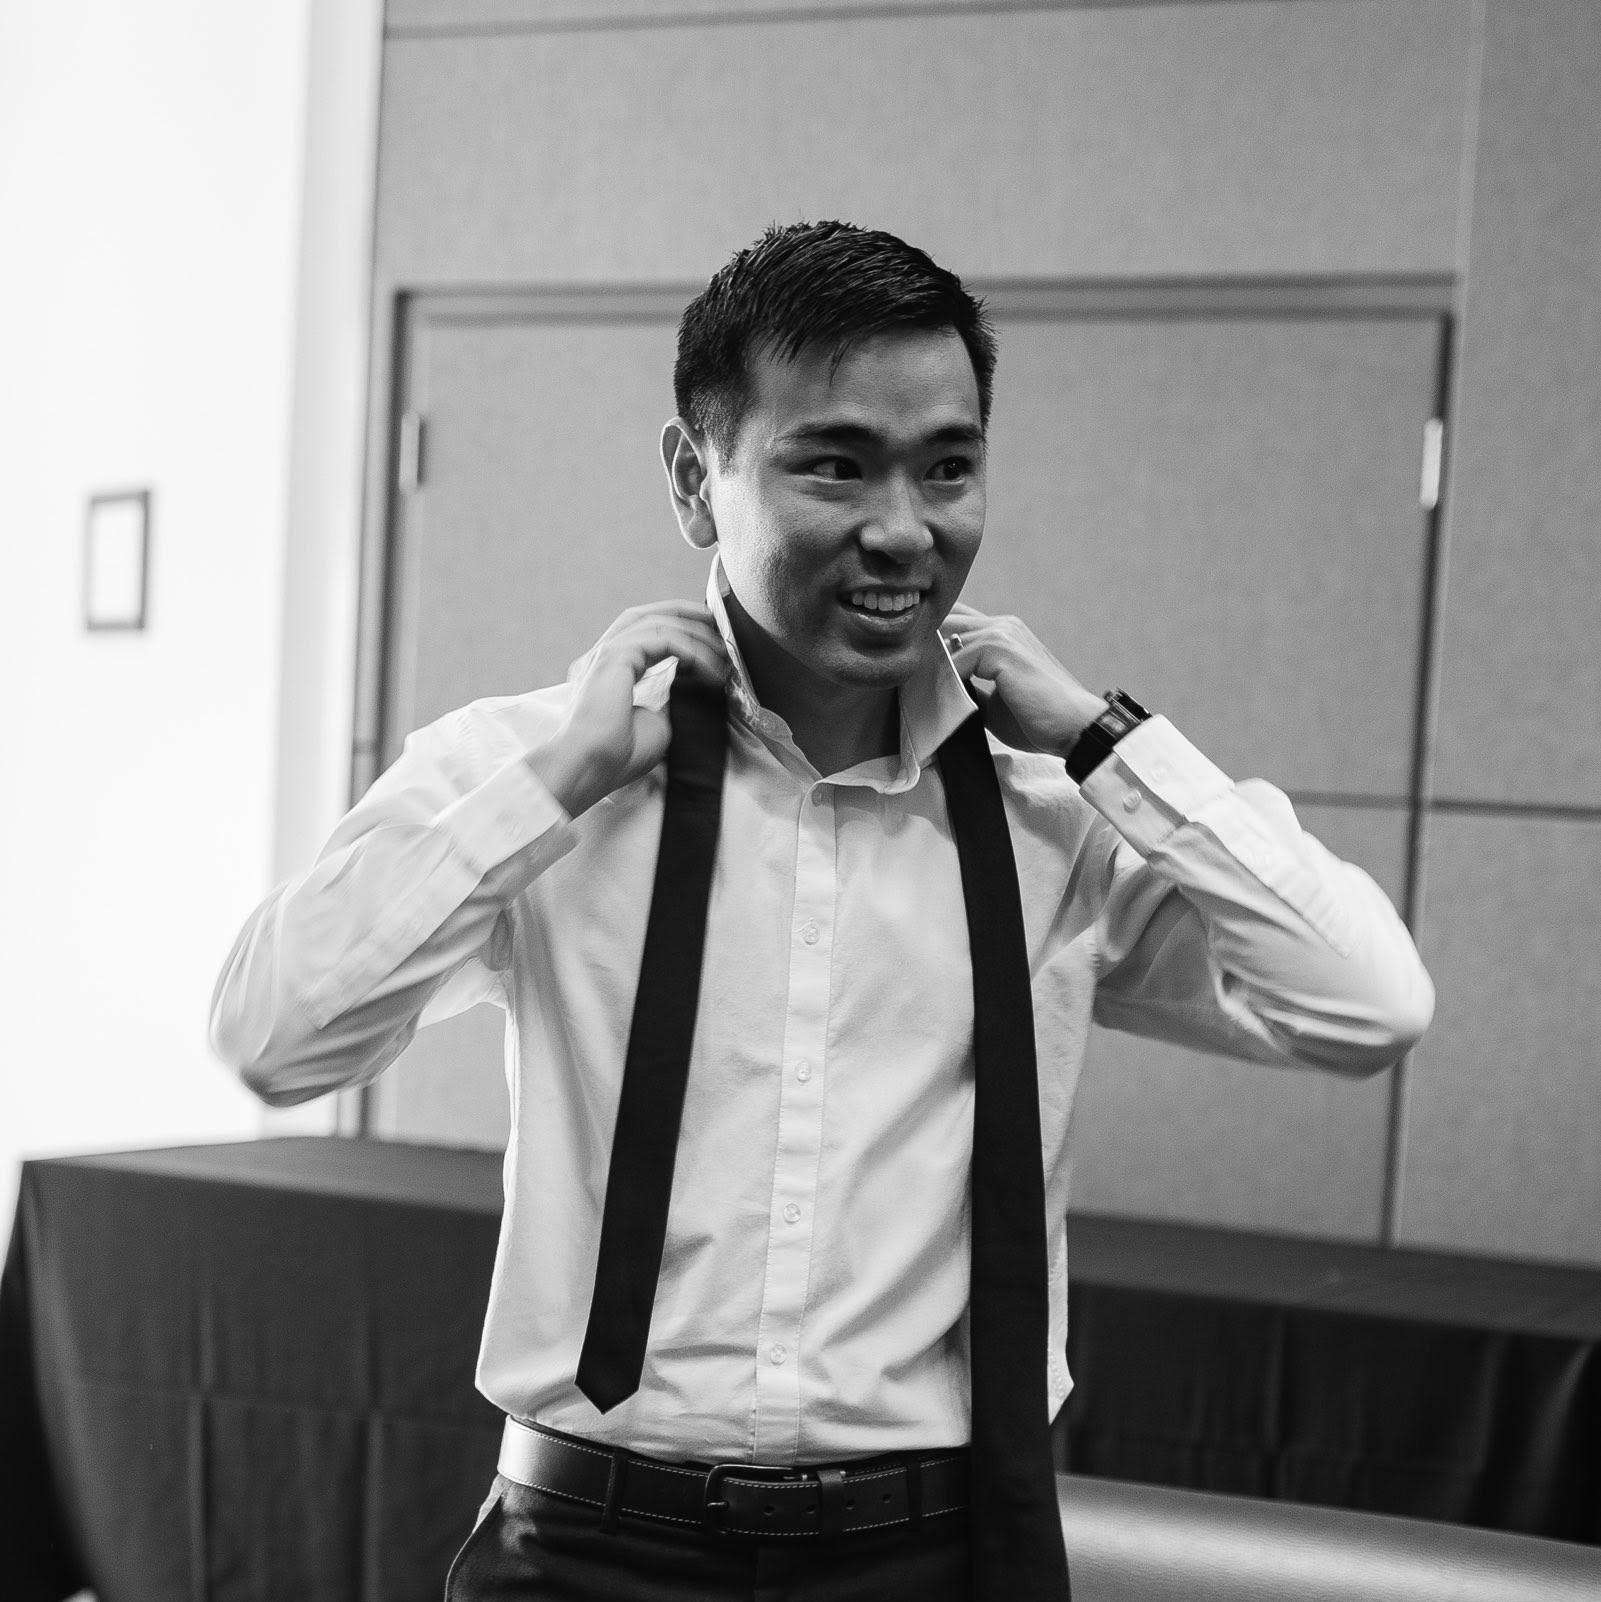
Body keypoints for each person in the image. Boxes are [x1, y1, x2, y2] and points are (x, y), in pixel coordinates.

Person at [210, 220, 1434, 1601]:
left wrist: (1108, 741)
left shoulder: (1057, 816)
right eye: (835, 464)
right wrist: (549, 789)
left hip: (927, 1554)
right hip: (586, 1552)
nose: (903, 529)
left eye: (948, 467)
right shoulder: (537, 770)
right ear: (696, 479)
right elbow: (275, 1035)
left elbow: (1366, 1003)